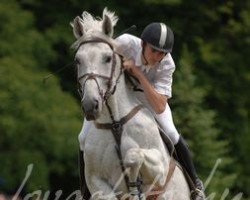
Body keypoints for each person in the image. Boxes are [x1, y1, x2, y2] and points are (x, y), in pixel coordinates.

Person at [78, 22, 205, 200]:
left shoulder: (168, 64)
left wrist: (137, 73)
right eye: (154, 50)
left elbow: (160, 105)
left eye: (162, 53)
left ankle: (196, 186)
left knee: (171, 133)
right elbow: (100, 55)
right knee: (83, 138)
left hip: (150, 101)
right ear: (143, 44)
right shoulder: (124, 43)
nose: (157, 56)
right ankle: (85, 191)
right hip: (120, 96)